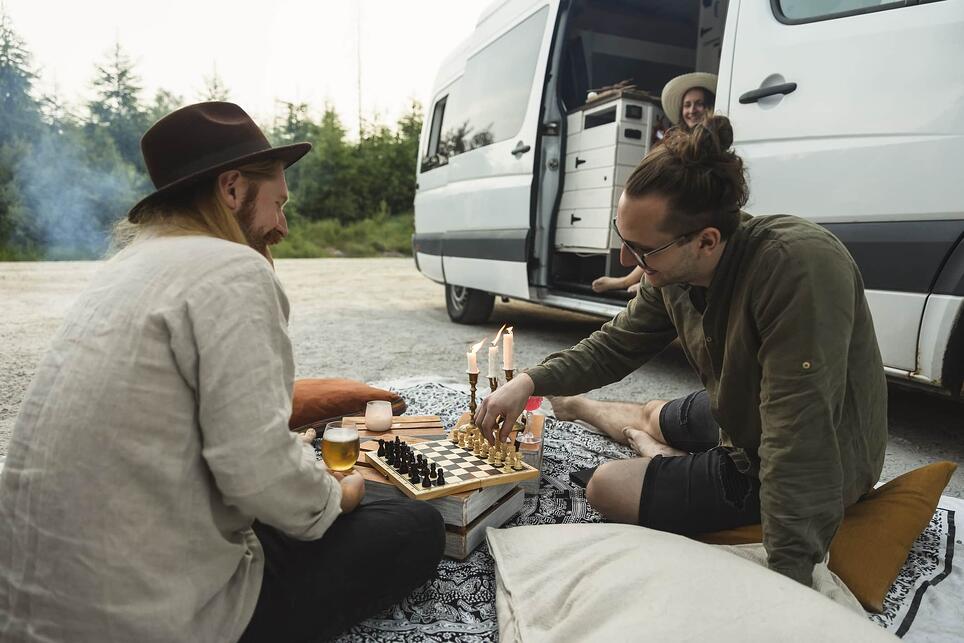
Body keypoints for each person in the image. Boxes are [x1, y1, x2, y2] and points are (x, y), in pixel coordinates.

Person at [0, 102, 445, 643]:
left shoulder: (125, 268)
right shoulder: (233, 269)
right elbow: (256, 471)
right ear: (232, 190)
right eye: (278, 203)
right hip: (145, 614)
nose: (282, 226)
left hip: (35, 601)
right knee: (412, 524)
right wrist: (340, 495)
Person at [477, 115, 888, 588]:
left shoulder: (797, 268)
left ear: (707, 241)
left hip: (802, 455)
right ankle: (612, 420)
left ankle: (655, 452)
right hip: (738, 410)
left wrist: (788, 582)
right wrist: (529, 381)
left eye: (642, 250)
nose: (627, 262)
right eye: (623, 238)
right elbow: (614, 346)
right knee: (655, 412)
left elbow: (800, 436)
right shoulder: (672, 272)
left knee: (606, 486)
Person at [592, 72, 718, 295]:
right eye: (687, 105)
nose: (692, 110)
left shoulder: (717, 142)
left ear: (709, 107)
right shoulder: (671, 139)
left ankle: (635, 282)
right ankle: (632, 280)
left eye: (699, 104)